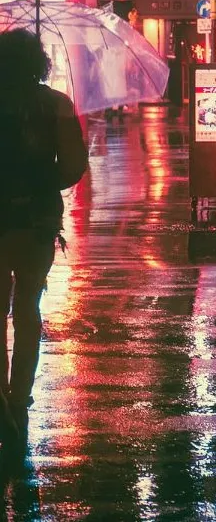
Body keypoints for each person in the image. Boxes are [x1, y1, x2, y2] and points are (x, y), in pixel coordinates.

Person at [0, 28, 88, 447]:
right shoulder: (56, 105)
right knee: (28, 307)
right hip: (36, 220)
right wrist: (41, 183)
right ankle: (20, 397)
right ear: (41, 63)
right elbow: (72, 167)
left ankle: (0, 397)